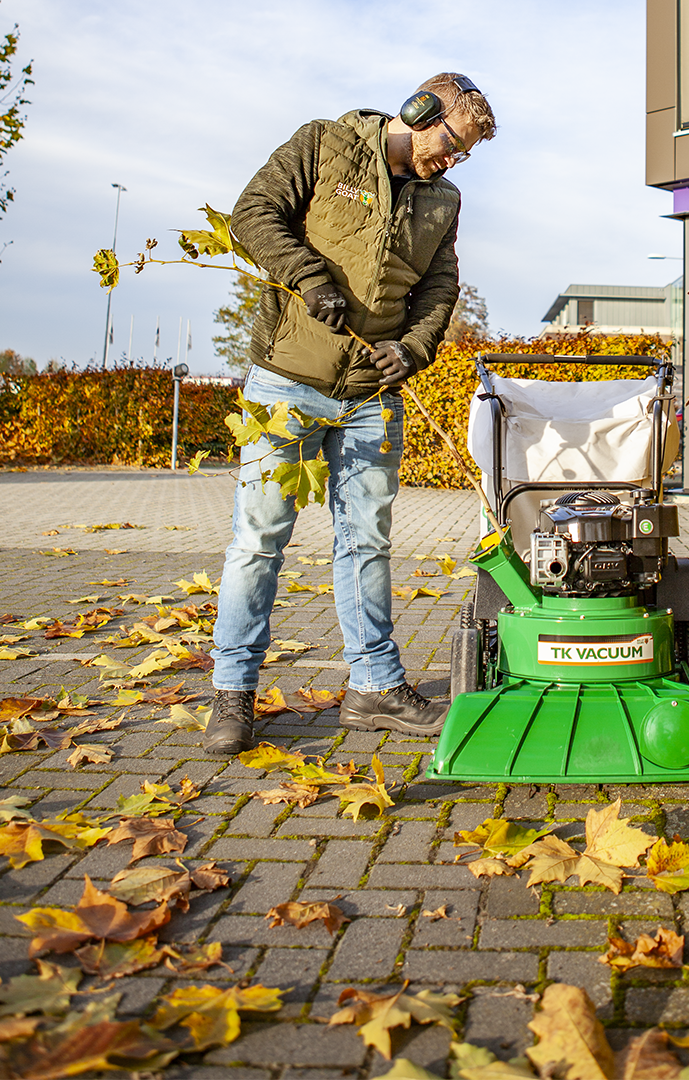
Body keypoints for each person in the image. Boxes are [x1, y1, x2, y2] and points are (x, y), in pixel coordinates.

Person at [204, 73, 497, 755]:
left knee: (365, 541)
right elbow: (252, 214)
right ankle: (232, 693)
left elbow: (439, 287)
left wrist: (413, 348)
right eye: (451, 143)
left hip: (371, 396)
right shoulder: (323, 145)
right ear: (420, 112)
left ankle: (373, 688)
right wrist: (308, 276)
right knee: (259, 539)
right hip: (287, 383)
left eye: (464, 154)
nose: (452, 161)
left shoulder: (443, 201)